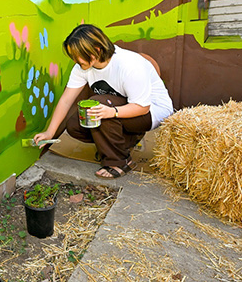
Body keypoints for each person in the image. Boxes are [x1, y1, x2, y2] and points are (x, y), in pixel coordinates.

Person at [34, 24, 173, 179]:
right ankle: (124, 142)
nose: (75, 60)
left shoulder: (128, 64)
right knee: (75, 125)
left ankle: (120, 162)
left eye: (78, 55)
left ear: (96, 50)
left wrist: (111, 112)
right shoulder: (82, 67)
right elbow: (66, 100)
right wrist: (50, 132)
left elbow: (143, 107)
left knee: (98, 108)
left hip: (152, 111)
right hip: (123, 107)